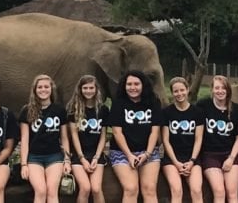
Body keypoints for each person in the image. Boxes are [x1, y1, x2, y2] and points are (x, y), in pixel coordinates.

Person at [106, 71, 164, 203]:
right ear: (124, 86)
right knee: (131, 188)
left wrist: (147, 154)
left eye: (136, 84)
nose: (133, 87)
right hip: (122, 152)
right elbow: (117, 133)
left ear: (143, 85)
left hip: (148, 152)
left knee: (149, 188)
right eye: (129, 84)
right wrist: (129, 155)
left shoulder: (154, 102)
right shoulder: (118, 103)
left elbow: (155, 132)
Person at [18, 75, 71, 203]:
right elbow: (24, 139)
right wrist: (23, 164)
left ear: (51, 89)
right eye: (40, 87)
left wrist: (67, 160)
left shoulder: (59, 110)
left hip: (54, 156)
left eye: (46, 87)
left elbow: (64, 138)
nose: (43, 90)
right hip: (34, 157)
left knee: (52, 191)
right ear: (35, 90)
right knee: (41, 191)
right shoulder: (27, 110)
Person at [197, 75, 238, 203]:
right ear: (212, 89)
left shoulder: (236, 109)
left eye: (223, 88)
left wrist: (231, 158)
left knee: (232, 192)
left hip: (230, 154)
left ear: (228, 90)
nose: (220, 91)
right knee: (219, 191)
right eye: (217, 88)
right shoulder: (203, 105)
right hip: (210, 154)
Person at [160, 77, 205, 203]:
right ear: (172, 93)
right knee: (177, 190)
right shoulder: (166, 112)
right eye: (176, 91)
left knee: (196, 190)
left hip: (192, 158)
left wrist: (192, 161)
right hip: (172, 159)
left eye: (182, 90)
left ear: (187, 90)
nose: (179, 94)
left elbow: (198, 139)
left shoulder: (198, 112)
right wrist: (176, 162)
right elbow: (165, 140)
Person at [66, 75, 110, 203]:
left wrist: (97, 157)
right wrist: (82, 158)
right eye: (85, 88)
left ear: (96, 89)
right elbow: (74, 136)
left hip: (96, 154)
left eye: (91, 88)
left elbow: (103, 135)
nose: (88, 91)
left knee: (96, 189)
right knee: (85, 188)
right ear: (80, 89)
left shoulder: (103, 109)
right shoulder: (73, 109)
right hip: (79, 155)